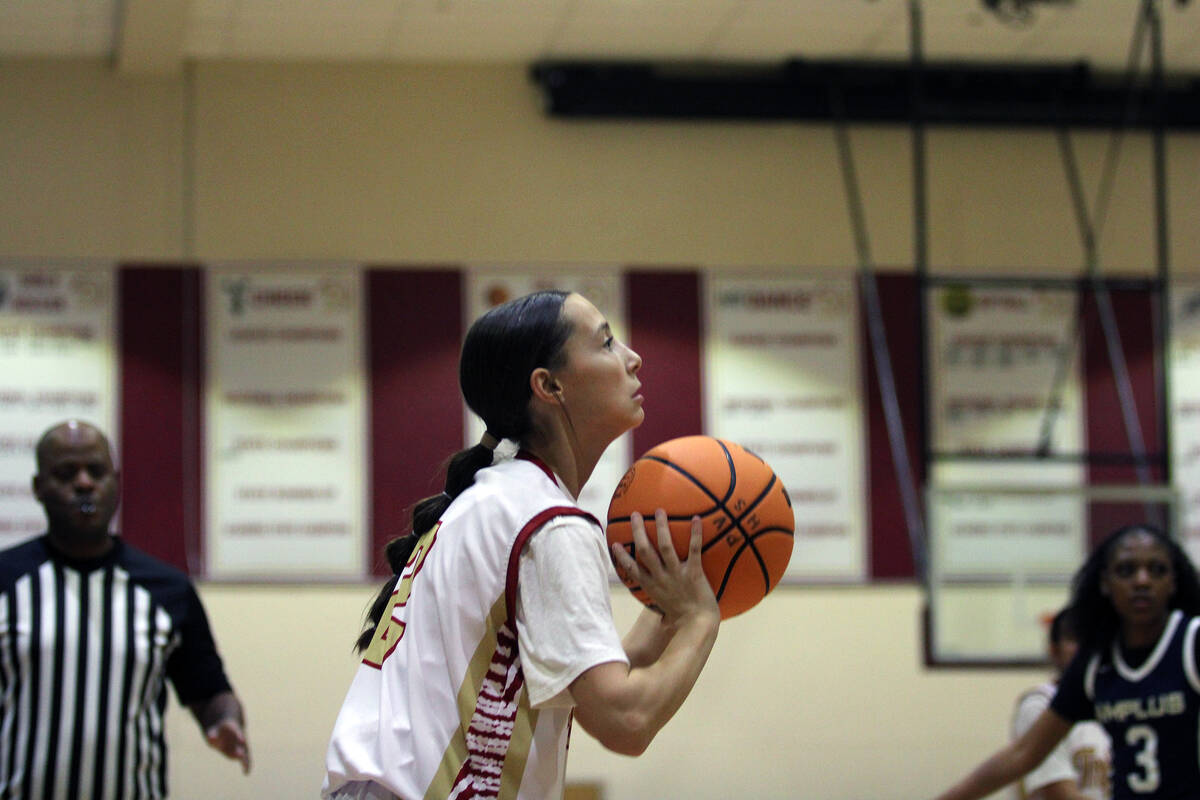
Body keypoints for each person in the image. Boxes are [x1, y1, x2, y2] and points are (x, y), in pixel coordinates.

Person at [322, 290, 720, 800]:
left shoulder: (499, 499)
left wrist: (669, 612)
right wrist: (700, 620)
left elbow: (579, 675)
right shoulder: (547, 521)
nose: (632, 357)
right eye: (605, 343)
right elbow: (625, 719)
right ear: (549, 385)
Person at [0, 420, 251, 798]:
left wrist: (225, 721)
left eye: (96, 471)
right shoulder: (5, 581)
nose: (84, 483)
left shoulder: (168, 590)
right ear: (38, 488)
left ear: (116, 481)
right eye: (66, 473)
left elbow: (209, 691)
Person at [935, 524, 1200, 800]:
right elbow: (1024, 753)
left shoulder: (1191, 642)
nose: (1142, 581)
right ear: (1105, 583)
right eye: (1126, 570)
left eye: (1157, 570)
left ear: (1173, 582)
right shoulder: (1097, 663)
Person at [1010, 607, 1110, 800]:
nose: (1087, 649)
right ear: (1054, 651)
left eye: (1093, 639)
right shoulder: (1039, 704)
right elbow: (1058, 794)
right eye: (1076, 640)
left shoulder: (1118, 702)